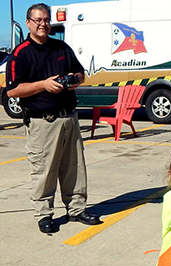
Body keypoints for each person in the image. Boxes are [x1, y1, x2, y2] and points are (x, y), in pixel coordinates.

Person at [6, 3, 101, 234]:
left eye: (46, 20)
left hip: (69, 117)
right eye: (38, 20)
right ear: (28, 23)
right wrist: (44, 85)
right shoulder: (20, 54)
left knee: (75, 168)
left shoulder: (62, 48)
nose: (43, 24)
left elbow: (82, 74)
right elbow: (11, 91)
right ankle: (44, 214)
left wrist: (74, 79)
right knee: (44, 170)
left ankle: (77, 209)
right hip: (42, 122)